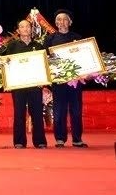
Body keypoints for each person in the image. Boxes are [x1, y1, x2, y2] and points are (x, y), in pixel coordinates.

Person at [44, 9, 87, 148]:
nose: (61, 22)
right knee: (59, 111)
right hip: (58, 81)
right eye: (58, 20)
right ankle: (60, 139)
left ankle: (77, 139)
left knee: (76, 110)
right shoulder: (50, 39)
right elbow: (45, 59)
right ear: (55, 23)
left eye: (64, 19)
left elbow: (84, 58)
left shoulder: (78, 38)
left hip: (75, 81)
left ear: (70, 22)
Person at [1, 20, 47, 149]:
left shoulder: (39, 46)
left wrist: (43, 81)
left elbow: (45, 66)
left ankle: (40, 141)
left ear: (31, 29)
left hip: (35, 84)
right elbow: (5, 64)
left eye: (28, 26)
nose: (25, 29)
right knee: (19, 113)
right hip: (18, 85)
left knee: (37, 113)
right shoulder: (12, 46)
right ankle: (19, 141)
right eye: (22, 26)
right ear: (18, 30)